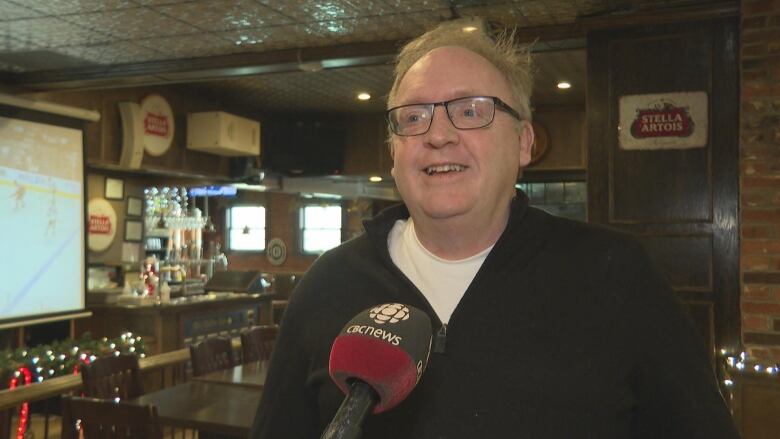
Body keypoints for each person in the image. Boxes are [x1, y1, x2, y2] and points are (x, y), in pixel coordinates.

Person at [250, 19, 739, 439]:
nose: (438, 135)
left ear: (524, 142)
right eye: (414, 116)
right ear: (394, 153)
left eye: (471, 111)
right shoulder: (326, 285)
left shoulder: (617, 274)